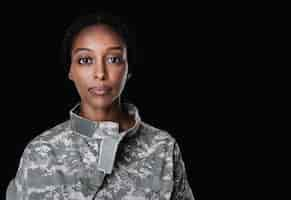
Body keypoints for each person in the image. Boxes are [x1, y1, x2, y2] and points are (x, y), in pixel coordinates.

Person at [6, 11, 195, 200]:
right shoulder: (41, 151)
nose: (100, 74)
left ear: (128, 68)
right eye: (86, 60)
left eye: (113, 59)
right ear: (70, 70)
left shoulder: (162, 147)